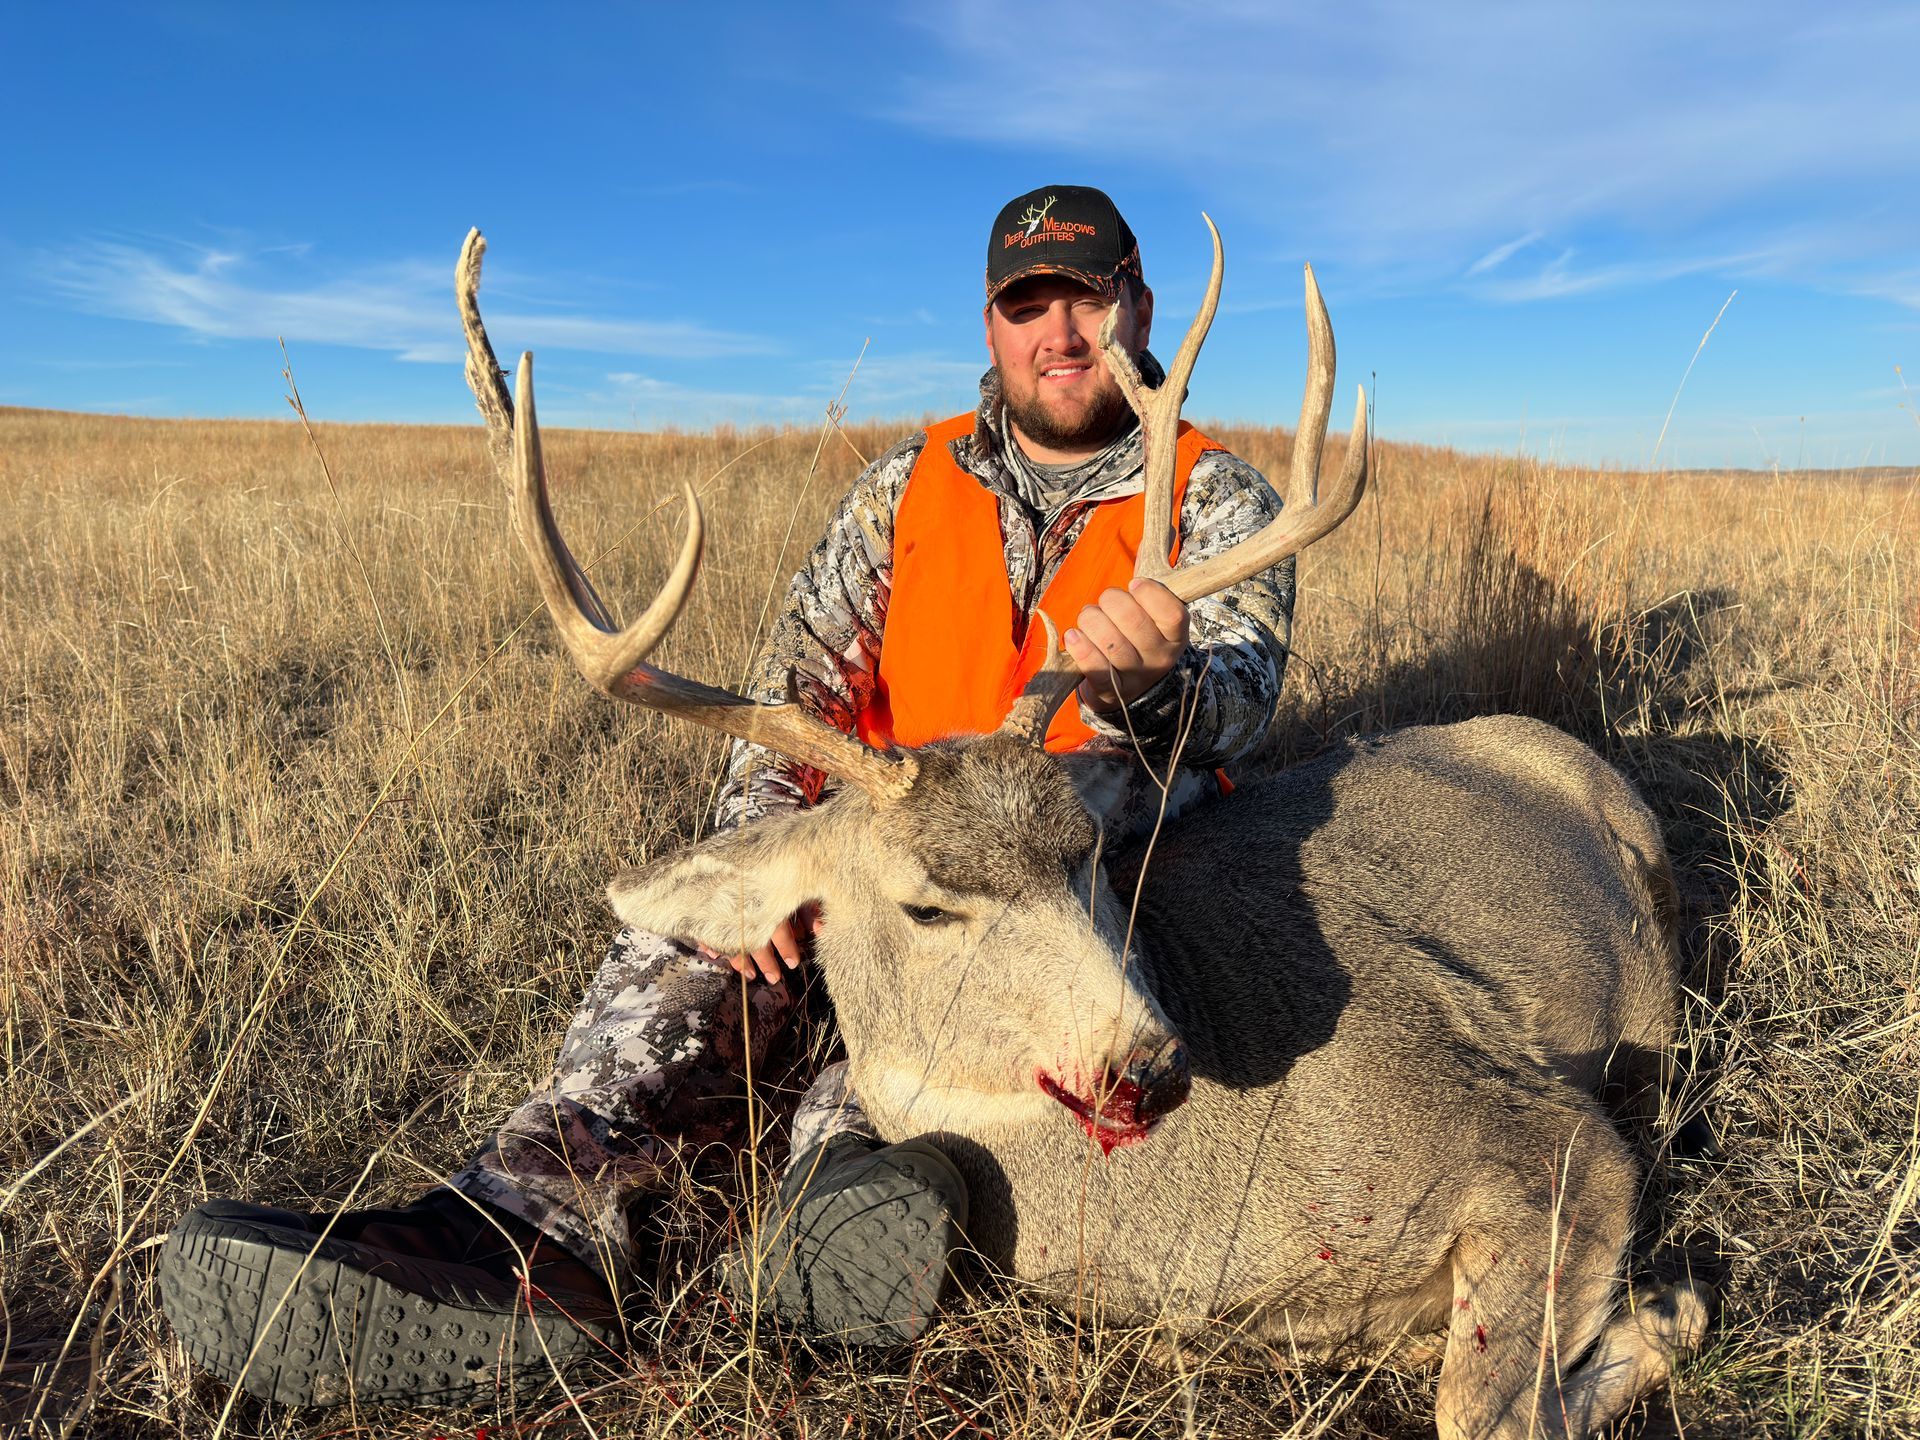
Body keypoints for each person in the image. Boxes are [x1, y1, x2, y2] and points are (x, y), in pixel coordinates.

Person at [157, 184, 1296, 1407]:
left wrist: (1154, 683)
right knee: (695, 949)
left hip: (1072, 858)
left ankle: (838, 1185)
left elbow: (1243, 693)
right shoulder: (901, 491)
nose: (1061, 331)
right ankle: (528, 1235)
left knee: (965, 991)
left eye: (1087, 293)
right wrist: (770, 856)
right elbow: (792, 684)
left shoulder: (1210, 498)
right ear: (990, 325)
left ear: (1140, 302)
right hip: (882, 836)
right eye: (1030, 304)